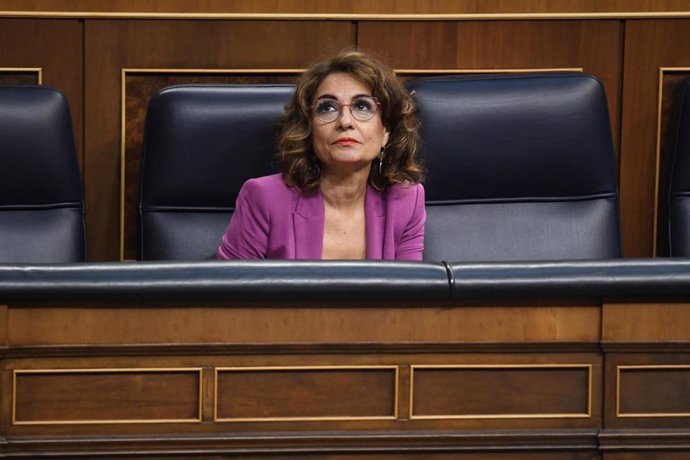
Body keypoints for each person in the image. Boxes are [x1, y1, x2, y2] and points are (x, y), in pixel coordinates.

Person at [216, 49, 425, 260]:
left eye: (362, 106)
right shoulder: (264, 199)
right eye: (328, 108)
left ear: (386, 132)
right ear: (309, 129)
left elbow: (409, 291)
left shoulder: (405, 202)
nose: (345, 122)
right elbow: (231, 288)